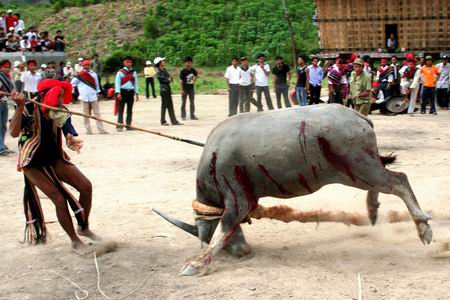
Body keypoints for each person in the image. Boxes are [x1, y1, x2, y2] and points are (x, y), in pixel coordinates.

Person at [9, 79, 104, 252]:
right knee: (59, 200)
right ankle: (75, 241)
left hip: (54, 157)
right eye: (58, 96)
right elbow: (14, 133)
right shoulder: (29, 108)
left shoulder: (59, 110)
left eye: (62, 96)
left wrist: (70, 138)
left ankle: (83, 226)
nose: (61, 100)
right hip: (32, 162)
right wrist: (20, 107)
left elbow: (67, 128)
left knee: (86, 186)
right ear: (45, 95)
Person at [71, 59, 108, 135]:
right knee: (85, 114)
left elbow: (97, 85)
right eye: (85, 65)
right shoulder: (80, 75)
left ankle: (101, 129)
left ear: (90, 66)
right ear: (82, 66)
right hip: (84, 97)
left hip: (93, 96)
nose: (86, 66)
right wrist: (78, 87)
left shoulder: (94, 74)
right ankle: (88, 130)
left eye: (88, 65)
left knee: (97, 113)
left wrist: (97, 93)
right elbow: (72, 83)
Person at [155, 57, 182, 126]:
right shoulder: (159, 71)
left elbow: (170, 79)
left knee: (170, 105)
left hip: (167, 89)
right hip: (164, 90)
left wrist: (168, 79)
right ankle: (163, 121)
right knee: (164, 106)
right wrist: (168, 79)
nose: (164, 61)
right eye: (162, 61)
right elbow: (164, 80)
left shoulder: (164, 70)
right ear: (159, 63)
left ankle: (174, 121)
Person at [114, 56, 139, 130]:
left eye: (130, 62)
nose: (128, 63)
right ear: (124, 63)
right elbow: (117, 83)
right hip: (122, 92)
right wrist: (118, 93)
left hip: (130, 92)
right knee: (121, 109)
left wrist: (136, 93)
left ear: (132, 63)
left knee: (130, 109)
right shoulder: (120, 72)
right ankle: (120, 125)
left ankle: (128, 125)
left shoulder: (133, 72)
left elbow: (135, 83)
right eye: (127, 62)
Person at [0, 60, 14, 156]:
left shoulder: (8, 78)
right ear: (1, 68)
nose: (7, 69)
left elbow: (11, 89)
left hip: (4, 102)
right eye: (5, 67)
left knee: (3, 125)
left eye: (8, 67)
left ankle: (2, 144)